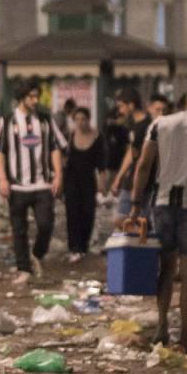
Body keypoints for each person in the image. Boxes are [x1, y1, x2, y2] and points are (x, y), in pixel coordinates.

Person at [131, 79, 187, 351]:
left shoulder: (160, 123)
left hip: (160, 204)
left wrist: (136, 204)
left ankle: (161, 325)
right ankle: (185, 334)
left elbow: (144, 165)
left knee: (166, 268)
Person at [0, 83, 66, 284]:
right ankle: (23, 268)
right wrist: (2, 178)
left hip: (42, 184)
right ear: (22, 98)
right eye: (32, 97)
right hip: (17, 186)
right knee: (19, 229)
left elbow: (55, 147)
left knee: (46, 224)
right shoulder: (7, 121)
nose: (35, 101)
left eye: (37, 96)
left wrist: (58, 175)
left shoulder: (45, 120)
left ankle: (37, 253)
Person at [63, 107, 104, 262]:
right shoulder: (70, 136)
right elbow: (63, 158)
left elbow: (101, 163)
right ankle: (74, 247)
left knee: (88, 213)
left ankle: (83, 245)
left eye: (83, 119)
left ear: (88, 119)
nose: (80, 123)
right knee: (72, 213)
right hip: (71, 180)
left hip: (88, 180)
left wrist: (102, 184)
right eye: (77, 119)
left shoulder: (97, 137)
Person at [110, 88, 151, 227]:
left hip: (143, 182)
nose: (120, 111)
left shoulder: (147, 125)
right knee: (122, 219)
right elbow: (131, 152)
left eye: (122, 106)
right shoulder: (133, 125)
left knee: (134, 221)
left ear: (131, 105)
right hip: (131, 179)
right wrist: (119, 177)